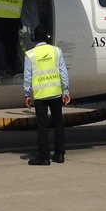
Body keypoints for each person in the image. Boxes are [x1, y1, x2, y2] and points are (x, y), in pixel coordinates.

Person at [23, 26, 71, 166]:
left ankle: (44, 157)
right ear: (47, 37)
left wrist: (27, 94)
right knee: (58, 124)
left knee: (42, 127)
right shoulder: (56, 51)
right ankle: (59, 154)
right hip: (56, 93)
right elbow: (63, 71)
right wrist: (66, 90)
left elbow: (27, 76)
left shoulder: (30, 55)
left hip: (41, 96)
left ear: (34, 38)